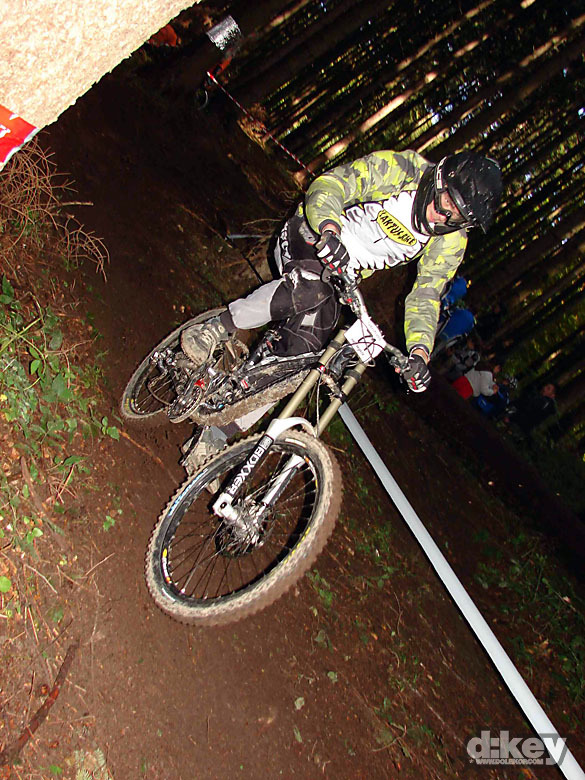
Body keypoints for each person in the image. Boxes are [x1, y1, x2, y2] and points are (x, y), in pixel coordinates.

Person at [182, 150, 503, 394]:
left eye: (456, 217)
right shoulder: (401, 170)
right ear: (439, 179)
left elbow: (426, 294)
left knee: (305, 355)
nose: (443, 216)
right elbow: (333, 184)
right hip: (312, 232)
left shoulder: (450, 240)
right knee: (310, 289)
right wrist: (329, 229)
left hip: (340, 276)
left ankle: (222, 428)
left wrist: (420, 352)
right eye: (446, 201)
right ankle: (216, 328)